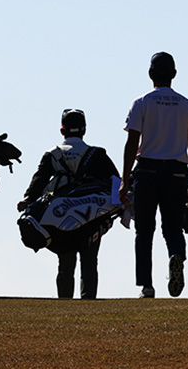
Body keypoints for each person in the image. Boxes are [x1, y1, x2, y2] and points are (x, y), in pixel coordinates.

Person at [120, 52, 188, 299]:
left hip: (146, 170)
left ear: (150, 74)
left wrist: (125, 179)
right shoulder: (186, 104)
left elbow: (132, 142)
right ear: (174, 74)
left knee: (144, 230)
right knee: (173, 227)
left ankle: (146, 285)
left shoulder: (141, 102)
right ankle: (176, 255)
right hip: (177, 172)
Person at [17, 109, 121, 299]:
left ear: (62, 130)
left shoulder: (52, 154)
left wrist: (27, 201)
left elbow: (38, 181)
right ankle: (88, 304)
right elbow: (117, 183)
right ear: (84, 130)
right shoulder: (97, 154)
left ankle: (64, 304)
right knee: (89, 261)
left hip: (60, 218)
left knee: (65, 262)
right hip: (92, 217)